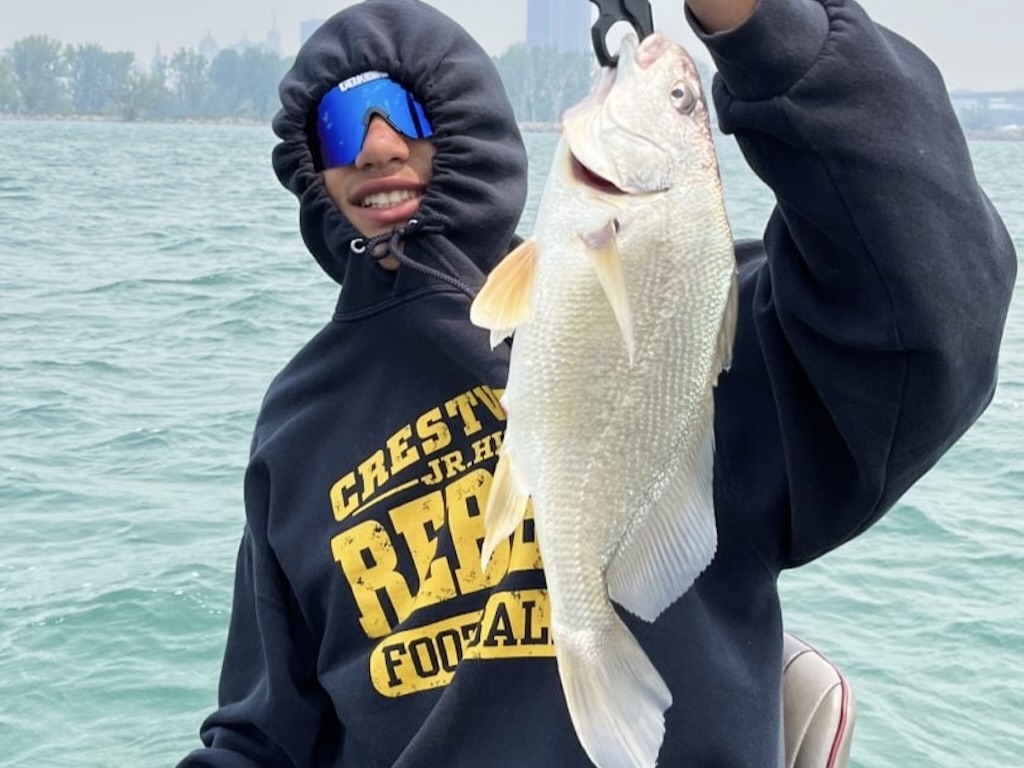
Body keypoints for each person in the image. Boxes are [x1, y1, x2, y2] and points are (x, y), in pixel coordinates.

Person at [177, 0, 1017, 765]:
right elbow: (263, 734)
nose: (375, 146)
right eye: (337, 124)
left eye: (400, 108)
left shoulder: (695, 322)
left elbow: (927, 307)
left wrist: (763, 23)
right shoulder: (296, 425)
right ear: (311, 162)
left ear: (464, 116)